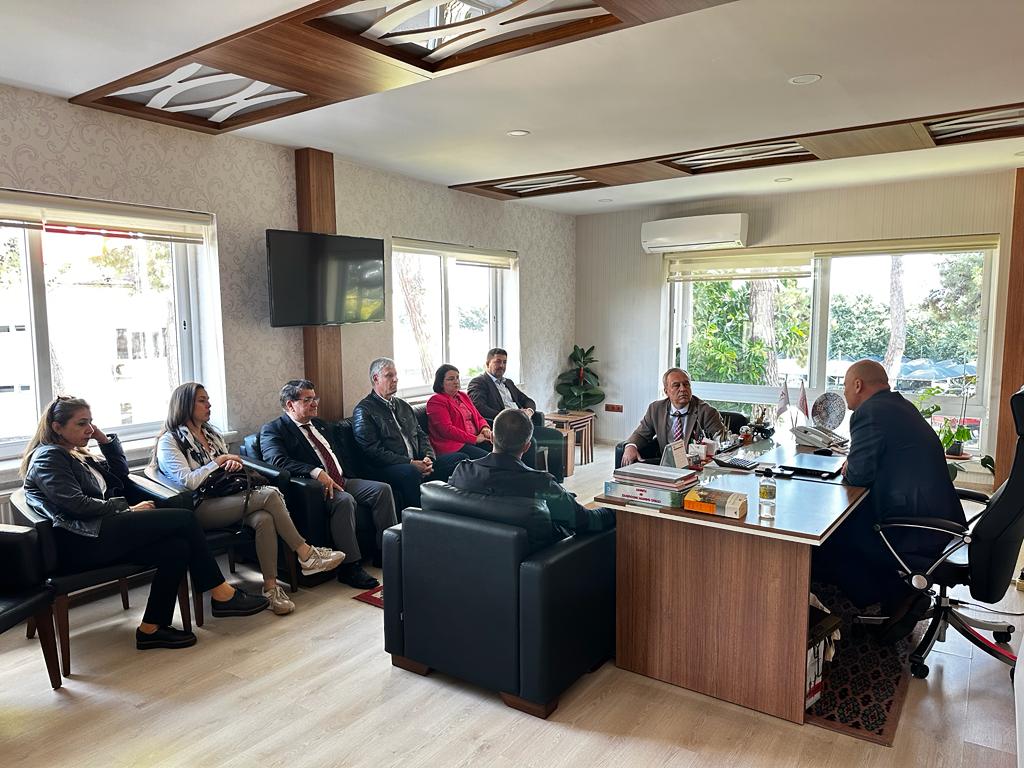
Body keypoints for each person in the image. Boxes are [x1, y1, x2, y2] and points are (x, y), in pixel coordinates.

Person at [20, 396, 268, 651]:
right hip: (82, 541)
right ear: (57, 427)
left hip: (100, 531)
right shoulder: (48, 457)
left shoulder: (74, 453)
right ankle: (221, 594)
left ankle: (152, 628)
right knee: (184, 519)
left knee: (177, 547)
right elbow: (76, 505)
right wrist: (126, 508)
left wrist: (104, 441)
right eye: (81, 423)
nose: (89, 429)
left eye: (91, 422)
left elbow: (120, 474)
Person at [152, 382, 345, 615]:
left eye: (208, 399)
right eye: (202, 401)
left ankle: (271, 589)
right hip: (197, 507)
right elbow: (189, 481)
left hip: (227, 497)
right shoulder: (170, 441)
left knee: (265, 519)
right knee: (270, 494)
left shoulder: (211, 434)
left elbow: (223, 469)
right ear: (184, 405)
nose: (209, 404)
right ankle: (306, 553)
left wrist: (231, 464)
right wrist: (220, 461)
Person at [813, 359, 967, 643]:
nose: (844, 393)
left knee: (828, 538)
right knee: (847, 526)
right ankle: (893, 594)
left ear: (858, 385)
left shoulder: (870, 412)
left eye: (845, 387)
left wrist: (851, 466)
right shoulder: (899, 406)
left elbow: (858, 475)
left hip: (915, 527)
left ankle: (895, 595)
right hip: (936, 519)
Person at [259, 379, 396, 589]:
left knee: (382, 490)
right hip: (314, 490)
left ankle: (385, 553)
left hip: (343, 479)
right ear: (290, 404)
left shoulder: (320, 425)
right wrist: (315, 472)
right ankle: (350, 568)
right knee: (344, 501)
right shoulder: (274, 430)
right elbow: (277, 461)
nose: (315, 403)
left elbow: (340, 455)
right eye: (308, 400)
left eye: (315, 398)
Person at [449, 408, 615, 544]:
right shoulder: (541, 484)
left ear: (491, 438)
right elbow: (589, 522)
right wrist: (617, 510)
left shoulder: (463, 470)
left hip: (470, 557)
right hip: (547, 561)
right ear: (527, 446)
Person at [352, 357, 467, 513]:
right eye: (389, 376)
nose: (395, 379)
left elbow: (421, 435)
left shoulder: (403, 405)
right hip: (386, 467)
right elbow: (373, 452)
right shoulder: (364, 410)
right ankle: (419, 519)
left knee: (460, 459)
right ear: (376, 378)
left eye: (396, 375)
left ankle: (453, 512)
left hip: (416, 461)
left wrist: (428, 457)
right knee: (411, 472)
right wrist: (410, 463)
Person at [621, 368, 724, 466]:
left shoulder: (706, 412)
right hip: (665, 464)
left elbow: (723, 441)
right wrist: (631, 446)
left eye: (686, 384)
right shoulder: (656, 409)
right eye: (676, 385)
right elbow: (641, 434)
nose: (683, 389)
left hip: (695, 465)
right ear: (666, 391)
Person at [426, 364, 493, 460]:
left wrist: (484, 428)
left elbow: (478, 417)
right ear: (440, 383)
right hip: (455, 444)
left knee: (504, 451)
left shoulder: (463, 396)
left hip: (477, 438)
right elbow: (447, 430)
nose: (456, 381)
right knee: (491, 459)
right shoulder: (436, 401)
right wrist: (474, 439)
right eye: (451, 379)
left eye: (457, 378)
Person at [467, 348, 538, 424]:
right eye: (498, 362)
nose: (501, 365)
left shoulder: (508, 382)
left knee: (547, 430)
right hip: (502, 425)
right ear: (487, 364)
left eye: (504, 362)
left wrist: (529, 411)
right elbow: (479, 407)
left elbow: (527, 400)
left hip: (522, 422)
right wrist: (509, 416)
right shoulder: (478, 382)